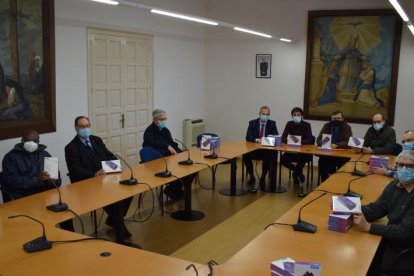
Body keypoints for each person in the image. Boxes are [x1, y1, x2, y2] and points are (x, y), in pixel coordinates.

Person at [65, 116, 132, 244]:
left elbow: (108, 155)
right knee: (112, 199)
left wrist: (114, 165)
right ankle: (119, 228)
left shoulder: (96, 140)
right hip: (87, 183)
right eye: (82, 126)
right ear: (76, 128)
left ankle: (115, 219)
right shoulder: (71, 147)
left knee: (128, 190)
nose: (85, 129)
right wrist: (94, 174)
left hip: (105, 178)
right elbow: (75, 169)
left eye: (87, 126)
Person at [353, 150, 414, 274]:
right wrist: (351, 207)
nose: (404, 169)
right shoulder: (394, 185)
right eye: (401, 165)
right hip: (392, 240)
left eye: (410, 166)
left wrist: (369, 227)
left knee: (367, 261)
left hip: (407, 249)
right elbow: (377, 209)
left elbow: (404, 232)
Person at [143, 109, 194, 200]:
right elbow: (150, 143)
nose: (163, 122)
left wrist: (179, 151)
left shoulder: (165, 130)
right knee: (178, 169)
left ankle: (174, 188)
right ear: (155, 119)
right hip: (159, 159)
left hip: (171, 156)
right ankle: (173, 189)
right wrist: (166, 145)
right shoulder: (149, 131)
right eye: (161, 119)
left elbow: (171, 142)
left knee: (191, 167)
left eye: (165, 119)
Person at [1, 129, 61, 201]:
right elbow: (11, 181)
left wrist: (51, 181)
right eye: (28, 140)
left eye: (35, 141)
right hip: (22, 197)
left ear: (38, 142)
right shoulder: (10, 157)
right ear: (22, 140)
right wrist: (36, 180)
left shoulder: (45, 154)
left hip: (44, 196)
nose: (32, 143)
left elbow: (58, 182)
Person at [244, 106, 279, 187]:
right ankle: (251, 176)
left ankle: (263, 176)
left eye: (267, 114)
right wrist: (257, 140)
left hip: (266, 149)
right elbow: (248, 137)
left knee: (269, 155)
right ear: (259, 114)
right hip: (254, 149)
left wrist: (266, 140)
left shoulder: (272, 124)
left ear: (269, 115)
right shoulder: (252, 123)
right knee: (245, 155)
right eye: (263, 114)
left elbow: (276, 136)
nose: (265, 116)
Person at [316, 111, 353, 181]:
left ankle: (338, 182)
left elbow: (348, 141)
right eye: (334, 118)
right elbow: (319, 139)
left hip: (341, 154)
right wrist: (325, 144)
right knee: (321, 162)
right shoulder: (327, 126)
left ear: (343, 119)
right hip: (327, 153)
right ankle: (324, 182)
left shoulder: (347, 127)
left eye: (338, 118)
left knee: (343, 165)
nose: (336, 120)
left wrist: (337, 145)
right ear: (331, 119)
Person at [280, 107, 313, 184]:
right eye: (294, 115)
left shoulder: (307, 125)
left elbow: (310, 139)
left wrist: (298, 142)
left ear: (302, 116)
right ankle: (297, 172)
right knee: (282, 159)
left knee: (303, 158)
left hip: (303, 151)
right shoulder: (289, 124)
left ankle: (295, 174)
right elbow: (283, 137)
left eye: (298, 115)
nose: (296, 116)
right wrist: (289, 141)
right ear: (292, 116)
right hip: (292, 151)